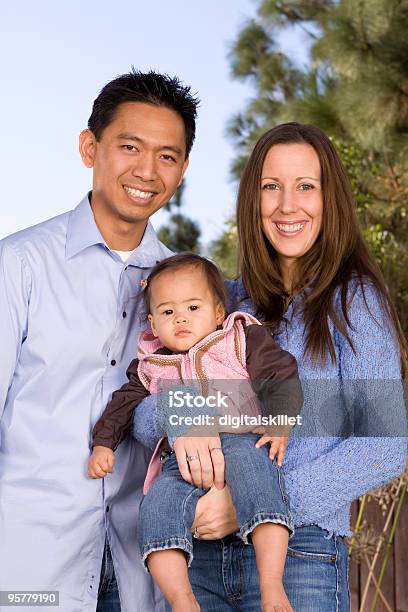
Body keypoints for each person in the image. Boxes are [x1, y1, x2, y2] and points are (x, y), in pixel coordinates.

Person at [134, 122, 407, 610]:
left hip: (302, 555)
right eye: (270, 186)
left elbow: (384, 444)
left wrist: (253, 506)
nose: (287, 205)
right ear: (251, 199)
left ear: (331, 200)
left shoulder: (355, 301)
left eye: (306, 186)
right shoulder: (221, 304)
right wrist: (181, 413)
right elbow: (141, 408)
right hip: (201, 559)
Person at [0, 69, 199, 612]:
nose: (146, 171)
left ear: (182, 170)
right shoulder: (17, 266)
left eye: (167, 155)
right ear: (90, 147)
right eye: (129, 146)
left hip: (141, 570)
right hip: (29, 566)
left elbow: (234, 396)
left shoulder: (186, 290)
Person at [87, 253, 303, 612]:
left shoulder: (238, 337)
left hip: (243, 439)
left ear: (218, 312)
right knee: (155, 511)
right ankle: (183, 600)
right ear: (153, 325)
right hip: (180, 461)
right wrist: (103, 444)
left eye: (192, 307)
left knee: (260, 486)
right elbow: (122, 407)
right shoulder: (150, 366)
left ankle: (271, 585)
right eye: (168, 312)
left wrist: (281, 419)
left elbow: (280, 373)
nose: (181, 318)